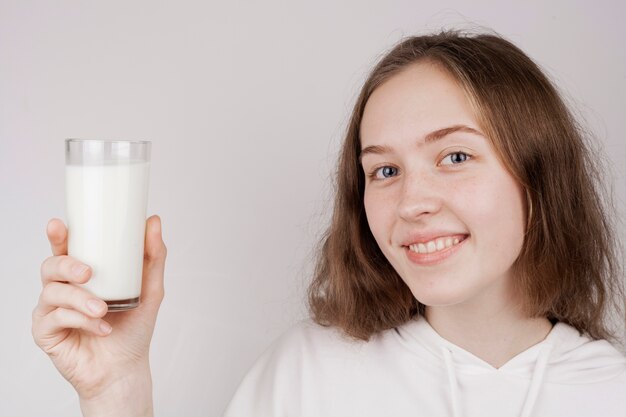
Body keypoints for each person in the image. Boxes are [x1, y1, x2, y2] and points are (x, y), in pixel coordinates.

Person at [32, 30, 626, 417]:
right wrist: (115, 390)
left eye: (455, 157)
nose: (412, 202)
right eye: (385, 170)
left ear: (540, 174)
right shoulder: (308, 375)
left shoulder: (610, 392)